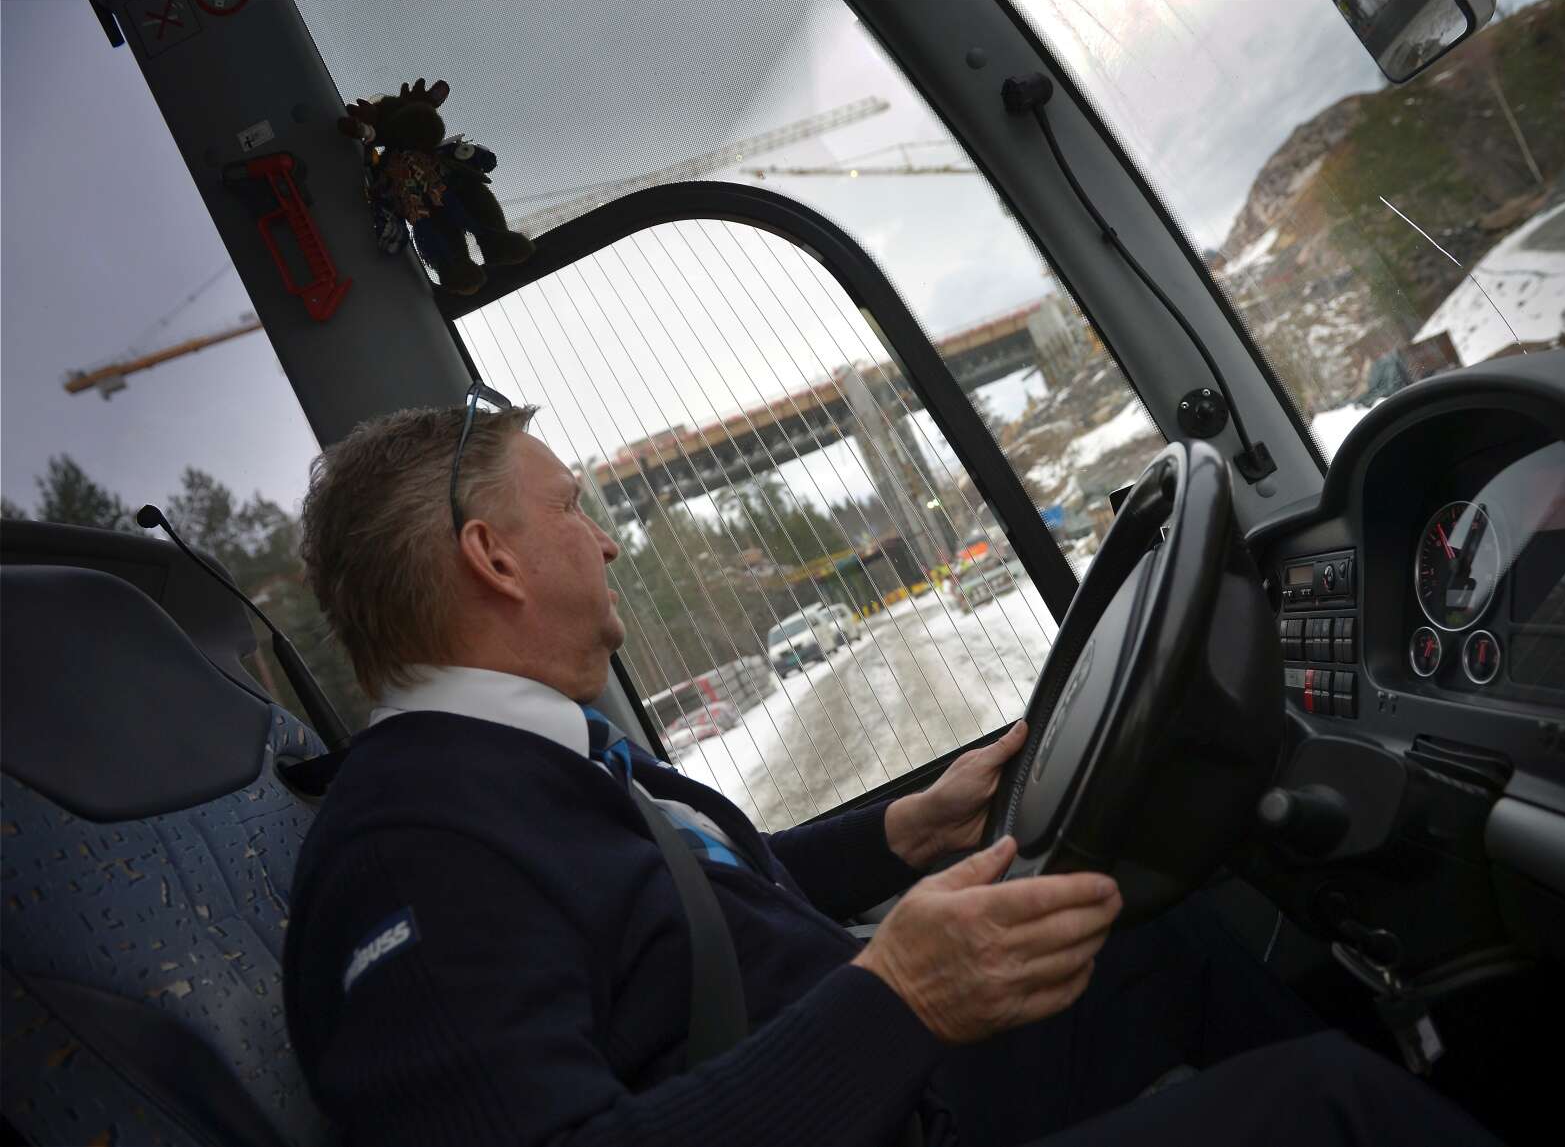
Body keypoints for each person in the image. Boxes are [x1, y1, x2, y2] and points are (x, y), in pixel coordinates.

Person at [285, 401, 1498, 1147]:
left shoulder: (520, 766)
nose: (603, 538)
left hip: (876, 1088)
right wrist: (897, 999)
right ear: (493, 559)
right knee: (1327, 1108)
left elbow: (670, 909)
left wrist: (900, 833)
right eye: (569, 508)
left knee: (1149, 939)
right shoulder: (413, 856)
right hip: (869, 1097)